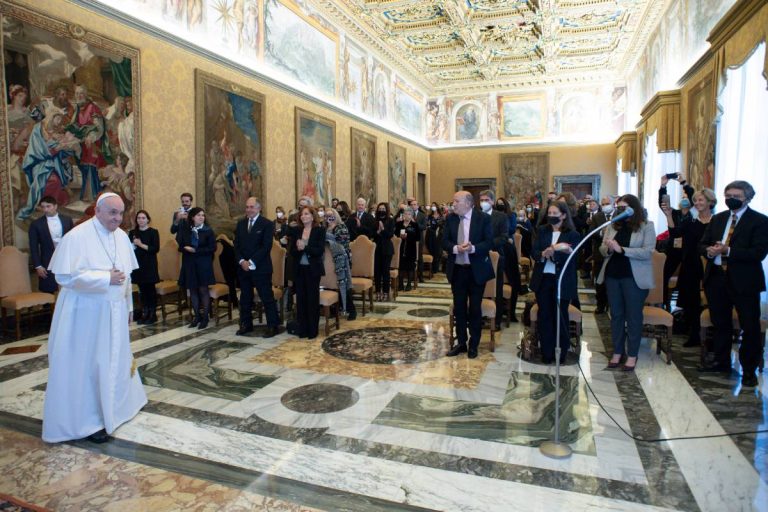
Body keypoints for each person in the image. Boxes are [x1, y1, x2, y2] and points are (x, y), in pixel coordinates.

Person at [42, 192, 147, 443]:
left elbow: (126, 276)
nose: (117, 218)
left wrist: (129, 305)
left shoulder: (121, 236)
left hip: (114, 312)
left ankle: (118, 409)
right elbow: (64, 278)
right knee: (88, 365)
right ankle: (89, 422)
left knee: (114, 360)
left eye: (121, 213)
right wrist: (104, 278)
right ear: (98, 211)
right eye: (112, 212)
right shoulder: (76, 237)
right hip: (84, 316)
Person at [698, 181, 768, 388]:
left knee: (750, 326)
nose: (731, 198)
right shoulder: (718, 219)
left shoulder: (760, 221)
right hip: (717, 278)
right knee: (720, 324)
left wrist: (727, 251)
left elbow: (758, 253)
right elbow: (702, 243)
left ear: (747, 197)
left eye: (736, 195)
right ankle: (721, 361)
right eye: (728, 194)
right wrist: (708, 251)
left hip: (745, 281)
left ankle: (748, 370)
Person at [597, 194, 656, 372]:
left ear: (634, 208)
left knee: (633, 317)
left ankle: (632, 354)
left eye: (625, 208)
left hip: (634, 277)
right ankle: (617, 352)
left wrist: (622, 249)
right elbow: (602, 248)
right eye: (619, 208)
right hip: (613, 274)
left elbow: (648, 251)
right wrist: (607, 248)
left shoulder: (646, 226)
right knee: (616, 315)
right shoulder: (613, 225)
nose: (622, 211)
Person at [443, 191, 494, 359]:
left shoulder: (483, 218)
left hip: (476, 270)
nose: (453, 204)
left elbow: (488, 242)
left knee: (474, 308)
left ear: (467, 203)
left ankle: (474, 344)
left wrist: (472, 248)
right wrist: (456, 248)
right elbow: (444, 242)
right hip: (457, 270)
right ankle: (461, 343)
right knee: (459, 308)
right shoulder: (450, 219)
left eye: (456, 201)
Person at [663, 188, 715, 347]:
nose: (697, 203)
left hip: (711, 264)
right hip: (691, 264)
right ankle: (694, 335)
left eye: (701, 200)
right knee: (692, 302)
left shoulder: (718, 220)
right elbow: (675, 233)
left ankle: (712, 337)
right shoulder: (691, 220)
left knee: (712, 300)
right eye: (696, 200)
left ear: (710, 202)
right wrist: (669, 216)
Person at [530, 201, 581, 364]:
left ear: (564, 215)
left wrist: (553, 254)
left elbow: (572, 258)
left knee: (560, 316)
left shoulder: (572, 234)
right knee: (544, 315)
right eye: (549, 213)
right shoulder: (541, 230)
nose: (551, 216)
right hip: (543, 278)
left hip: (562, 280)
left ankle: (561, 352)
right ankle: (547, 352)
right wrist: (543, 254)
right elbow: (534, 251)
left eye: (555, 214)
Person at [234, 197, 281, 337]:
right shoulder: (241, 224)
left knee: (267, 297)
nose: (249, 209)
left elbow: (266, 246)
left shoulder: (266, 224)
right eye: (247, 207)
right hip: (243, 268)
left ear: (259, 208)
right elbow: (236, 245)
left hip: (260, 267)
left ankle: (273, 326)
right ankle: (246, 324)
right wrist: (242, 261)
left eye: (252, 207)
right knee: (245, 298)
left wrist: (251, 262)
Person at [288, 206, 326, 338]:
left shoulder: (319, 231)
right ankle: (302, 329)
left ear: (312, 216)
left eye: (306, 214)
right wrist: (298, 249)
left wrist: (305, 247)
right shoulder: (297, 231)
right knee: (301, 300)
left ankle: (312, 331)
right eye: (302, 214)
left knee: (312, 300)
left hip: (313, 270)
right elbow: (292, 252)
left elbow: (319, 251)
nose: (303, 216)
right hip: (299, 269)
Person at [659, 174, 694, 309]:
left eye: (686, 198)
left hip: (688, 250)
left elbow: (692, 195)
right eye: (683, 198)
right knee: (664, 275)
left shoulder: (694, 214)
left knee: (686, 279)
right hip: (673, 250)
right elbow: (662, 203)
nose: (684, 200)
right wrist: (663, 186)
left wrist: (684, 183)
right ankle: (663, 303)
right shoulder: (675, 213)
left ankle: (684, 308)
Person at [178, 207, 216, 329]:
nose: (201, 217)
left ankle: (205, 317)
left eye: (203, 215)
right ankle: (197, 316)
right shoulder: (186, 230)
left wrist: (196, 250)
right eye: (199, 215)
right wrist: (185, 248)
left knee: (203, 290)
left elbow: (212, 248)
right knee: (192, 290)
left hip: (203, 263)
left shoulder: (208, 231)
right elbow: (180, 245)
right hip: (189, 263)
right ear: (192, 217)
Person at [29, 196, 74, 293]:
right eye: (43, 207)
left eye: (48, 206)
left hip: (66, 259)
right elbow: (33, 247)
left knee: (69, 288)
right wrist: (38, 265)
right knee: (48, 289)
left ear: (55, 206)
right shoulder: (36, 224)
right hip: (47, 260)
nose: (45, 209)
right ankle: (48, 308)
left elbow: (73, 242)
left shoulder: (67, 220)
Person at [71, 85, 108, 201]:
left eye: (81, 93)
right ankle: (87, 195)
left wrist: (90, 137)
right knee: (84, 168)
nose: (79, 96)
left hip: (93, 144)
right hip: (82, 145)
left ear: (86, 95)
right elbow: (74, 126)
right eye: (77, 93)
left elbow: (99, 128)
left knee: (91, 167)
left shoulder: (93, 108)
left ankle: (94, 196)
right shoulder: (77, 109)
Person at [479, 190, 507, 329]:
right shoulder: (476, 216)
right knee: (479, 286)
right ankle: (481, 316)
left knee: (497, 288)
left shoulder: (501, 217)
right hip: (479, 256)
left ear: (492, 201)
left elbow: (503, 237)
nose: (483, 202)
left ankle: (496, 320)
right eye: (481, 200)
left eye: (486, 200)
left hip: (496, 254)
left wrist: (488, 244)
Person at [129, 210, 160, 325]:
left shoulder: (153, 232)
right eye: (139, 218)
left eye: (143, 218)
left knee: (150, 290)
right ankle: (144, 312)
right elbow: (129, 249)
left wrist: (140, 244)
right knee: (142, 290)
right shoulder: (133, 232)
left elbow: (155, 249)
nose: (141, 220)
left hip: (149, 265)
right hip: (138, 265)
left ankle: (152, 314)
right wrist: (133, 246)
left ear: (148, 219)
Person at [325, 206, 355, 320]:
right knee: (332, 285)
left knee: (344, 285)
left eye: (331, 215)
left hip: (343, 261)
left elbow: (341, 243)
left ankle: (351, 310)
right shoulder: (325, 228)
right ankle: (335, 309)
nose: (329, 218)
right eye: (327, 216)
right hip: (329, 261)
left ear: (335, 216)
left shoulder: (341, 227)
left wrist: (327, 237)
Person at [494, 196, 521, 322]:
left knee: (513, 279)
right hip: (496, 246)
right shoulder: (491, 216)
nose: (499, 205)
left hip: (508, 248)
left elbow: (511, 229)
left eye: (501, 203)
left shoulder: (511, 215)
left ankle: (511, 311)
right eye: (497, 203)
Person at [372, 202, 395, 301]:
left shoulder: (390, 220)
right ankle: (378, 291)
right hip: (377, 249)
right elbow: (372, 234)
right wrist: (377, 231)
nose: (381, 210)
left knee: (385, 272)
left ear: (386, 210)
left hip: (387, 249)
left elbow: (390, 235)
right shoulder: (374, 221)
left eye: (383, 208)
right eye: (380, 208)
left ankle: (386, 292)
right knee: (377, 272)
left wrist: (383, 229)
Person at [395, 207, 421, 291]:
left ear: (412, 216)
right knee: (401, 267)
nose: (407, 215)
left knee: (410, 267)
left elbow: (418, 238)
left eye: (409, 214)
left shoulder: (415, 225)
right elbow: (394, 235)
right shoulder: (399, 224)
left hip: (411, 248)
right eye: (405, 214)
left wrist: (408, 237)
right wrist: (400, 237)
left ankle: (409, 283)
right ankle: (401, 284)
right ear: (403, 215)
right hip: (401, 248)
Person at [409, 198, 428, 282]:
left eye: (415, 204)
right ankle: (411, 276)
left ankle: (420, 276)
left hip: (419, 240)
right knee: (411, 258)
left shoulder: (422, 215)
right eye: (412, 205)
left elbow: (424, 227)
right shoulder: (407, 214)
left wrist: (414, 223)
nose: (413, 206)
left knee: (419, 258)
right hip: (409, 239)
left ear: (417, 206)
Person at [425, 202, 444, 274]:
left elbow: (443, 225)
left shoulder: (441, 216)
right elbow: (427, 224)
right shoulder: (430, 216)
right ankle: (432, 268)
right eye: (432, 206)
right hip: (430, 235)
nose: (433, 207)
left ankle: (436, 268)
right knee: (432, 250)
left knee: (438, 251)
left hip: (439, 235)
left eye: (434, 206)